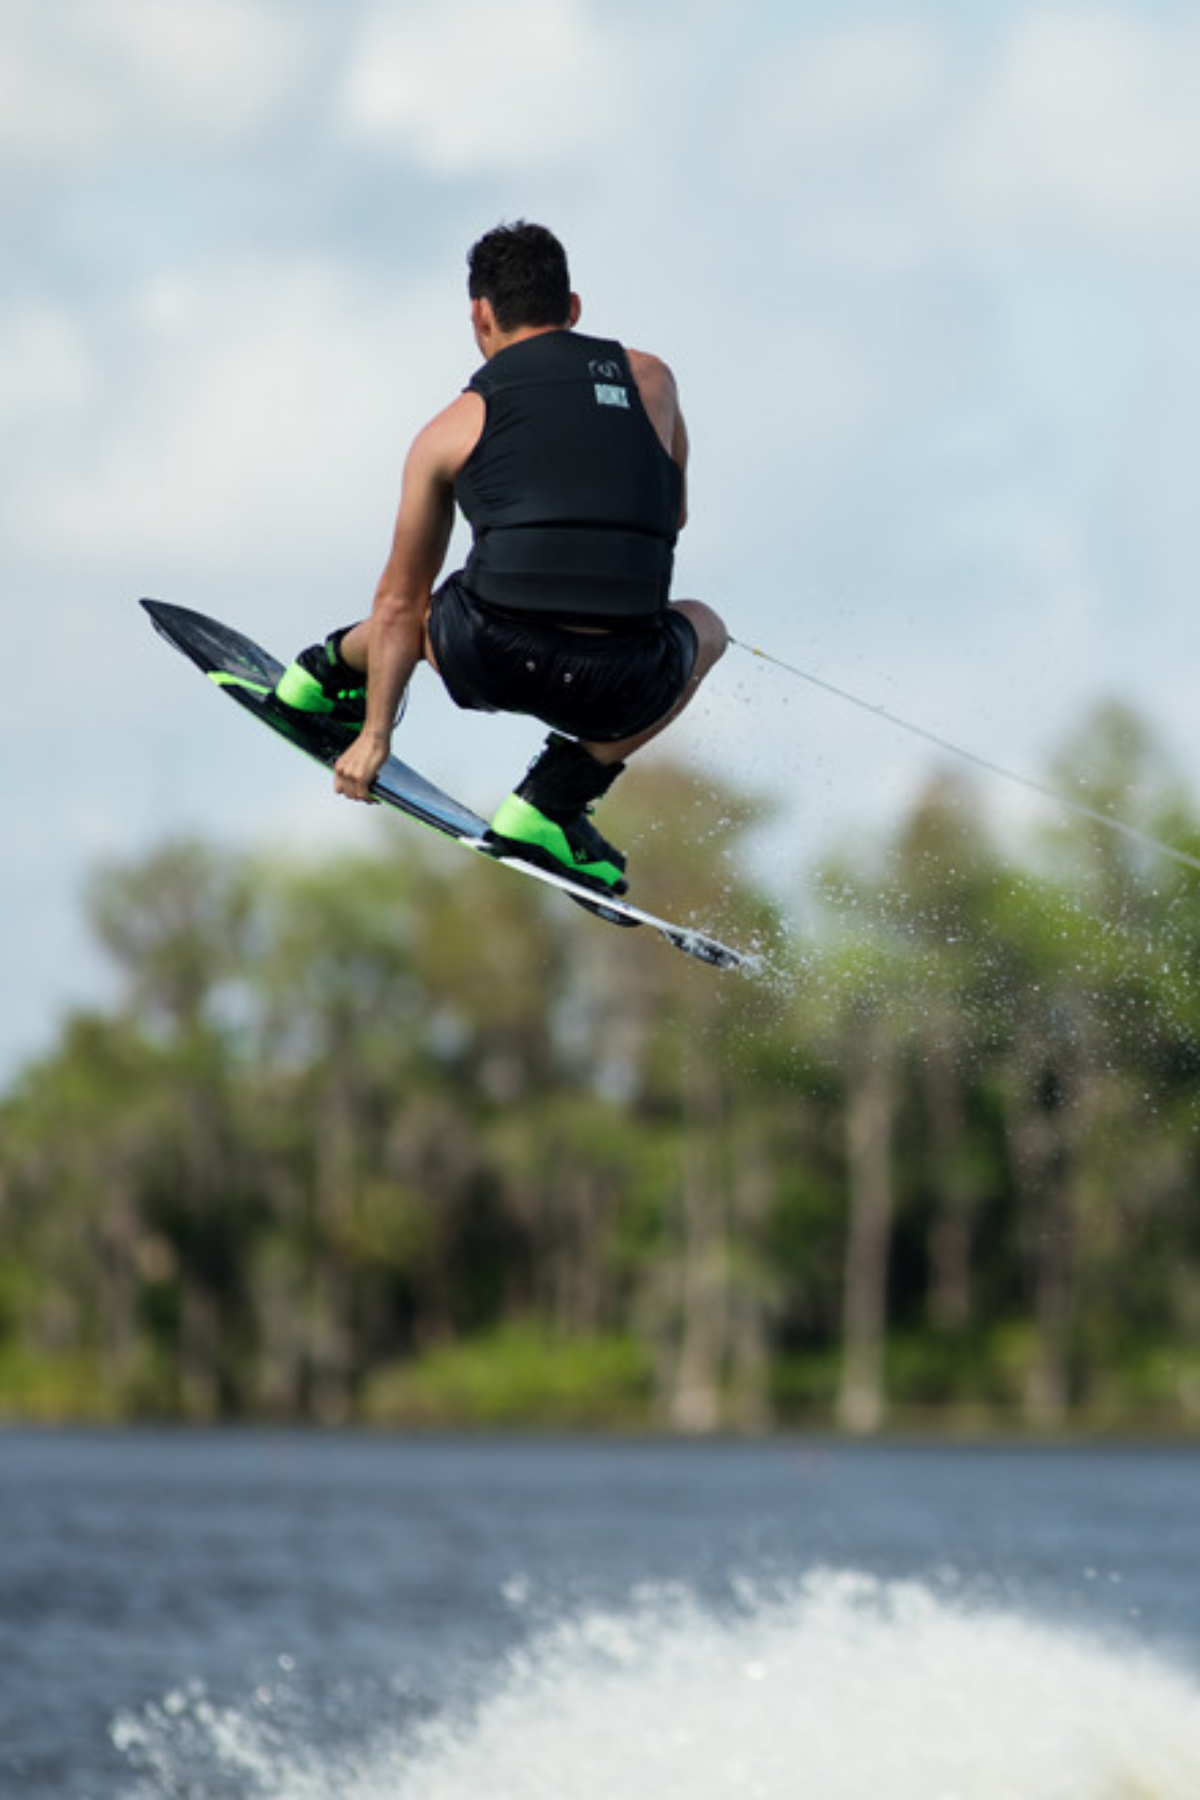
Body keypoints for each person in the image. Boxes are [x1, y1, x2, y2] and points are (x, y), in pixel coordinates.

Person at [274, 220, 726, 897]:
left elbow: (400, 603)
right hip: (622, 680)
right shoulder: (654, 381)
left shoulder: (447, 430)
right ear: (573, 309)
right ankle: (554, 799)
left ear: (480, 315)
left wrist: (374, 738)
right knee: (706, 626)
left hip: (489, 657)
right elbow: (674, 517)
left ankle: (322, 673)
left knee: (426, 609)